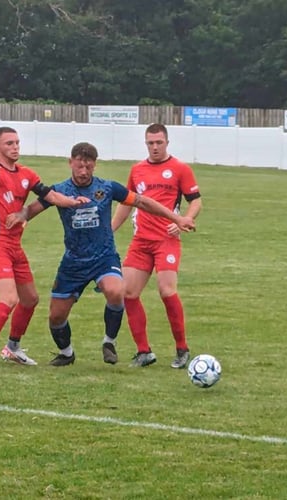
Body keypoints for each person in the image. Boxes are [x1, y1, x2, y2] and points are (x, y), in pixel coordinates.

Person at [6, 142, 196, 367]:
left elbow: (143, 202)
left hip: (104, 258)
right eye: (79, 167)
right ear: (71, 164)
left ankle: (109, 342)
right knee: (56, 317)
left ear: (95, 166)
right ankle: (67, 353)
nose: (84, 172)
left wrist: (177, 218)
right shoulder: (59, 191)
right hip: (73, 262)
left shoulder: (107, 188)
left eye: (88, 167)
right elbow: (33, 208)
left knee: (116, 291)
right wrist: (22, 215)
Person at [0, 126, 90, 372]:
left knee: (30, 299)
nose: (15, 147)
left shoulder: (26, 174)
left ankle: (12, 347)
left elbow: (49, 195)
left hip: (14, 245)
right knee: (9, 298)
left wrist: (72, 202)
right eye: (9, 143)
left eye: (17, 143)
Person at [111, 123, 202, 369]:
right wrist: (109, 230)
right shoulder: (137, 170)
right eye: (150, 143)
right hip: (141, 241)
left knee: (167, 291)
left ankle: (182, 348)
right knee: (128, 293)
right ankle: (144, 352)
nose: (154, 147)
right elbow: (127, 202)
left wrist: (186, 220)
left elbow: (195, 201)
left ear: (167, 142)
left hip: (166, 240)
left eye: (159, 142)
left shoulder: (180, 169)